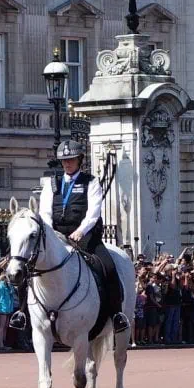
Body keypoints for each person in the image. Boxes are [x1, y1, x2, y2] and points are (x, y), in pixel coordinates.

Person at [10, 140, 129, 335]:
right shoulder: (52, 184)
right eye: (64, 160)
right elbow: (45, 211)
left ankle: (116, 314)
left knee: (107, 266)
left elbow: (93, 213)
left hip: (85, 236)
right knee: (28, 267)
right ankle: (22, 312)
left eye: (71, 159)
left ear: (79, 160)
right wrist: (51, 232)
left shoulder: (90, 182)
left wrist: (81, 231)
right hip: (56, 235)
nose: (67, 163)